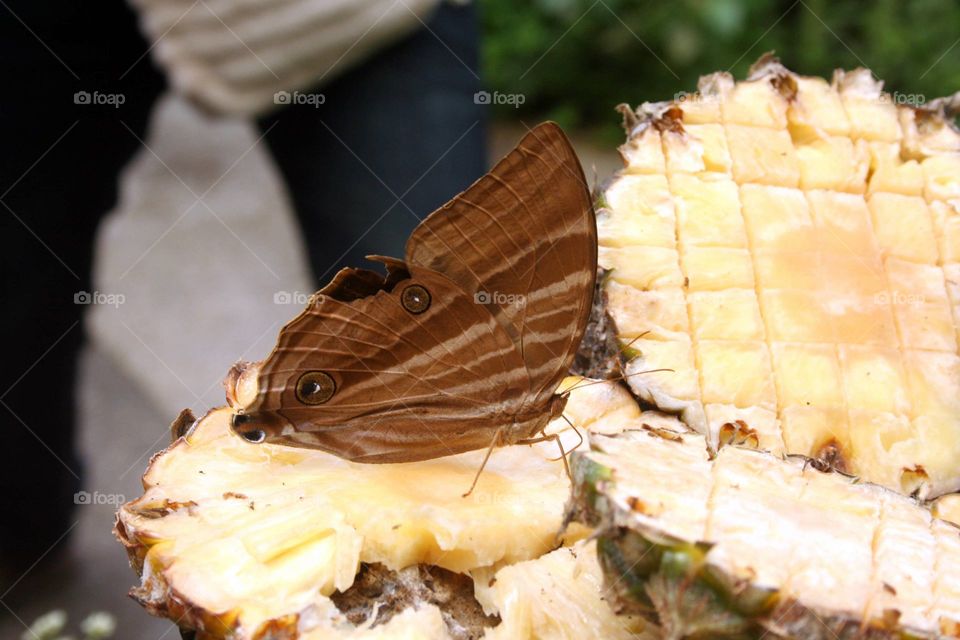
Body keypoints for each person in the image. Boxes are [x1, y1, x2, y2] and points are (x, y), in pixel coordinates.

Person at [0, 0, 486, 573]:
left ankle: (450, 574)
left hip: (355, 15)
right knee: (17, 282)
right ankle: (19, 540)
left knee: (438, 335)